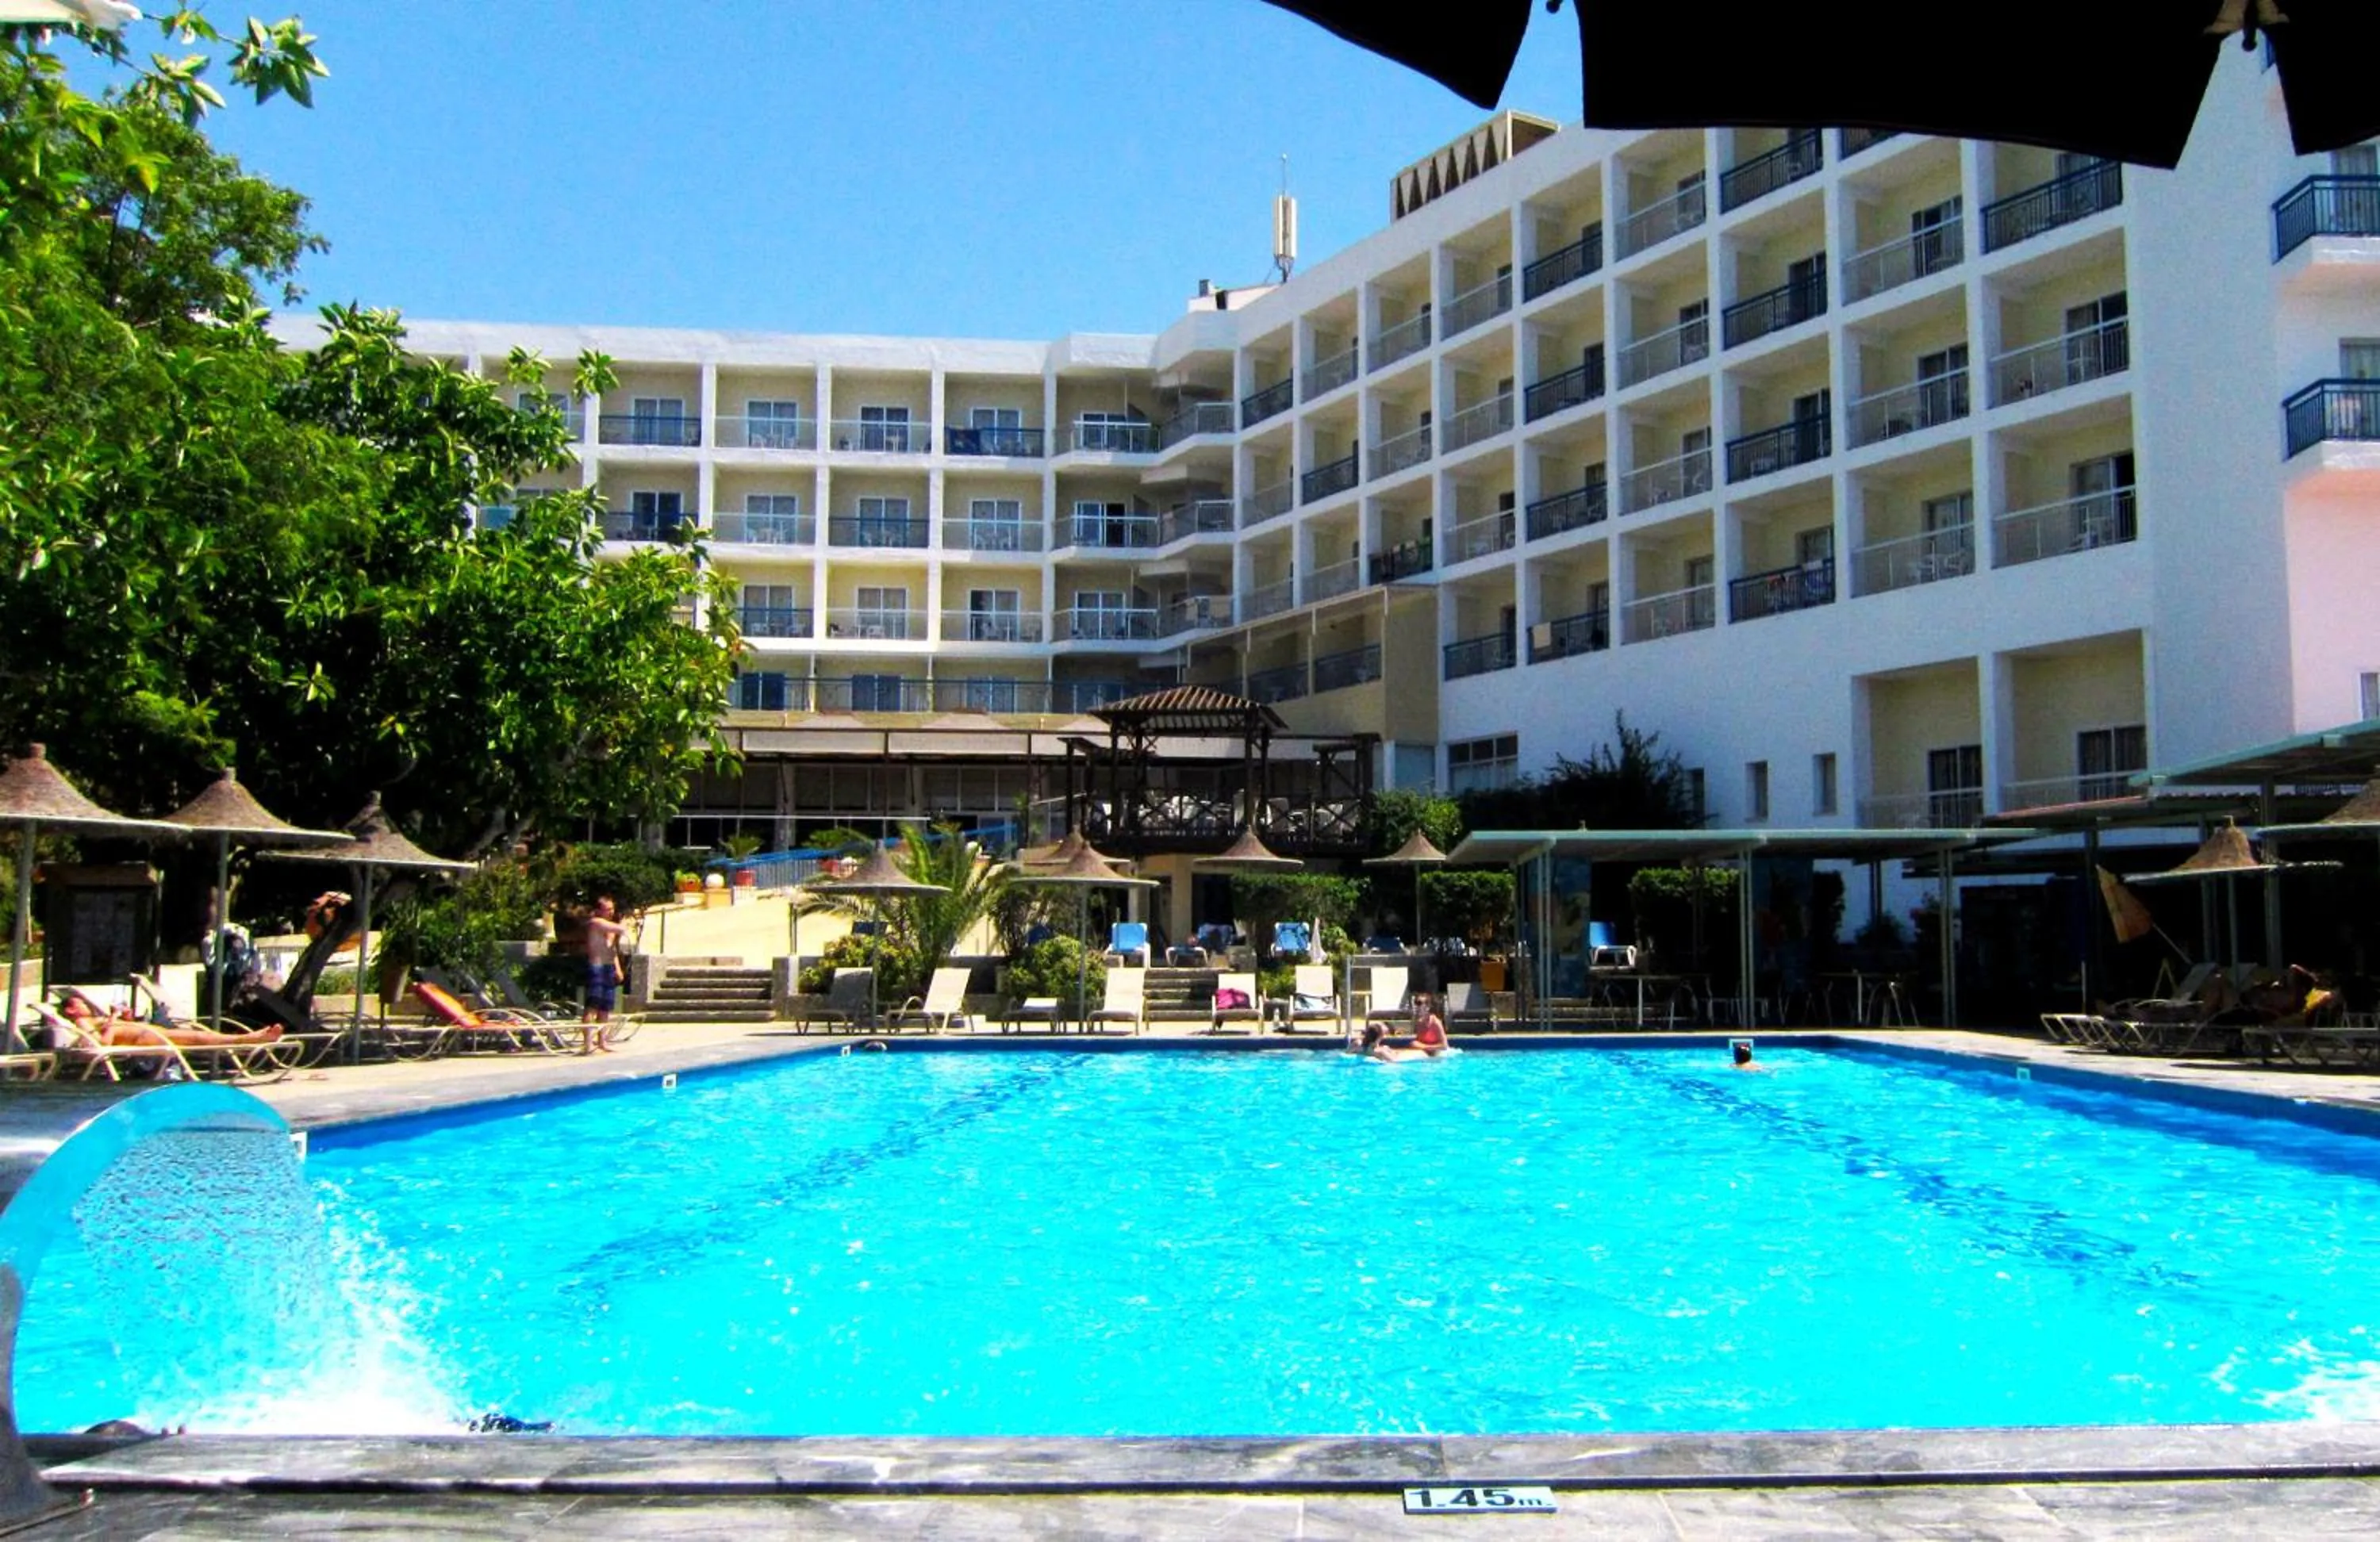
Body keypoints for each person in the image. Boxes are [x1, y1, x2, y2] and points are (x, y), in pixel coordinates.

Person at [582, 895, 628, 1053]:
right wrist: (624, 923)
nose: (611, 912)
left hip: (608, 968)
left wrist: (618, 969)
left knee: (605, 1008)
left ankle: (602, 1041)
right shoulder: (595, 923)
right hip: (597, 968)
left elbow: (612, 949)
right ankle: (587, 1043)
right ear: (598, 911)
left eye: (612, 909)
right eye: (607, 909)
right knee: (592, 1006)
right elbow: (621, 929)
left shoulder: (609, 928)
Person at [1405, 994, 1449, 1058]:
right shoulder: (1419, 1022)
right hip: (1427, 1054)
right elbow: (1420, 1042)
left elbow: (1444, 1046)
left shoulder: (1436, 1022)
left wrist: (1423, 1047)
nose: (1416, 1006)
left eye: (1419, 1003)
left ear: (1428, 1006)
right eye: (1416, 1003)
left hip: (1439, 1055)